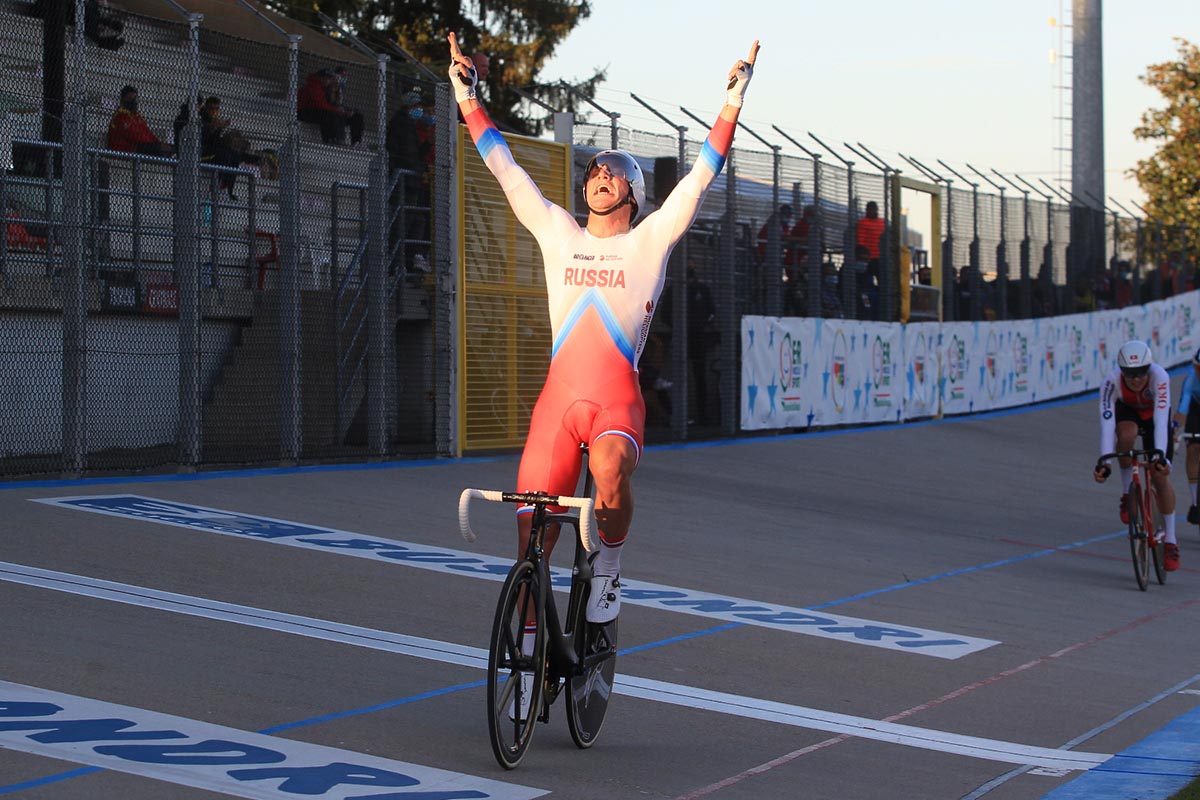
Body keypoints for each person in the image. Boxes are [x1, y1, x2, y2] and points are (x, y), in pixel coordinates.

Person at [448, 31, 757, 647]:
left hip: (615, 399)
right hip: (559, 403)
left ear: (635, 195)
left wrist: (731, 105)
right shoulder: (559, 231)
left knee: (611, 470)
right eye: (594, 169)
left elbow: (698, 179)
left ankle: (609, 569)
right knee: (533, 525)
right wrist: (467, 99)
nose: (599, 175)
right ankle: (533, 628)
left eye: (615, 172)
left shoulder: (649, 241)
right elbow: (504, 169)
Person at [1093, 340, 1179, 571]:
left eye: (1141, 372)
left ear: (1149, 368)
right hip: (1128, 411)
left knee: (1160, 476)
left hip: (1154, 417)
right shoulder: (1110, 383)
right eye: (1130, 374)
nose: (1137, 378)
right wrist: (1105, 461)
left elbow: (1161, 420)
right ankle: (1126, 493)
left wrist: (1160, 456)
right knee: (1126, 435)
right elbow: (1107, 425)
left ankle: (1170, 539)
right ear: (1121, 371)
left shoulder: (1159, 376)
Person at [298, 68, 364, 146]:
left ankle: (356, 142)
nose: (328, 80)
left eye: (329, 78)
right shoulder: (313, 86)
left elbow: (335, 105)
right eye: (326, 78)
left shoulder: (329, 88)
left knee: (356, 116)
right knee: (330, 114)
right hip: (304, 111)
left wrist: (345, 110)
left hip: (322, 111)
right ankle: (332, 139)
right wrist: (337, 110)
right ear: (320, 77)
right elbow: (320, 104)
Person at [1173, 347, 1200, 525]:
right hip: (1197, 410)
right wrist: (1174, 430)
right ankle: (1196, 503)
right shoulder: (1191, 378)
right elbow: (1183, 407)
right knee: (1194, 448)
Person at [106, 86, 173, 156]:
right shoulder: (120, 117)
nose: (133, 102)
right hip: (125, 149)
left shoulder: (136, 116)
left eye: (134, 99)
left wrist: (158, 143)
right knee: (157, 149)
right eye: (130, 99)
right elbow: (135, 137)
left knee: (169, 148)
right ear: (123, 99)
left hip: (137, 146)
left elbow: (147, 132)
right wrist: (157, 145)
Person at [856, 200, 885, 274]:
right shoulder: (881, 223)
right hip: (869, 257)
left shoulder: (862, 223)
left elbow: (860, 241)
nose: (872, 211)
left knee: (867, 280)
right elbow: (860, 241)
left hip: (874, 257)